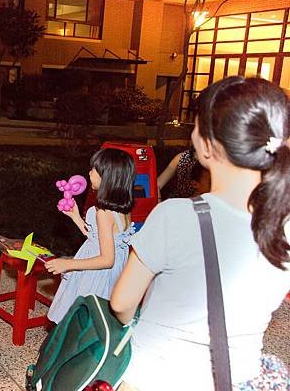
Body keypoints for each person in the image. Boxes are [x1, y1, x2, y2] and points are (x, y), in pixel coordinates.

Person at [111, 76, 290, 391]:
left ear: (207, 146)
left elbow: (122, 303)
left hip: (155, 376)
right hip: (238, 378)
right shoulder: (284, 227)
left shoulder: (174, 216)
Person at [45, 148, 136, 324]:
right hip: (111, 274)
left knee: (82, 317)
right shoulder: (121, 209)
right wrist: (77, 218)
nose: (89, 172)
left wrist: (68, 264)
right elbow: (100, 238)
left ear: (106, 178)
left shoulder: (103, 212)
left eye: (94, 169)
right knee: (99, 318)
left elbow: (107, 259)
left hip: (97, 272)